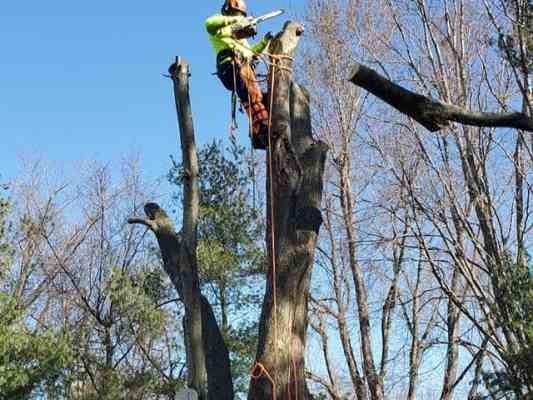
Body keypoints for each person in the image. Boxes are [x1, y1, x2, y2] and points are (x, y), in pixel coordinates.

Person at [205, 0, 273, 148]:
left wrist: (264, 42)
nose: (239, 16)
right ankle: (264, 130)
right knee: (253, 95)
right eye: (237, 14)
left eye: (240, 15)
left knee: (257, 98)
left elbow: (250, 53)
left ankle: (258, 132)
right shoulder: (220, 30)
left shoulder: (241, 39)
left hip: (243, 67)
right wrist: (236, 21)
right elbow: (208, 23)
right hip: (231, 66)